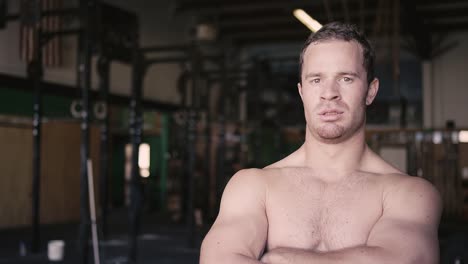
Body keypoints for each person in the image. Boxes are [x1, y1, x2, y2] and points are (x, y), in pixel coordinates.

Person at [200, 22, 442, 264]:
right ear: (302, 91)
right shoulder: (253, 186)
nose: (329, 93)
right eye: (316, 80)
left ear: (370, 91)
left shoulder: (410, 194)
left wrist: (286, 258)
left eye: (346, 78)